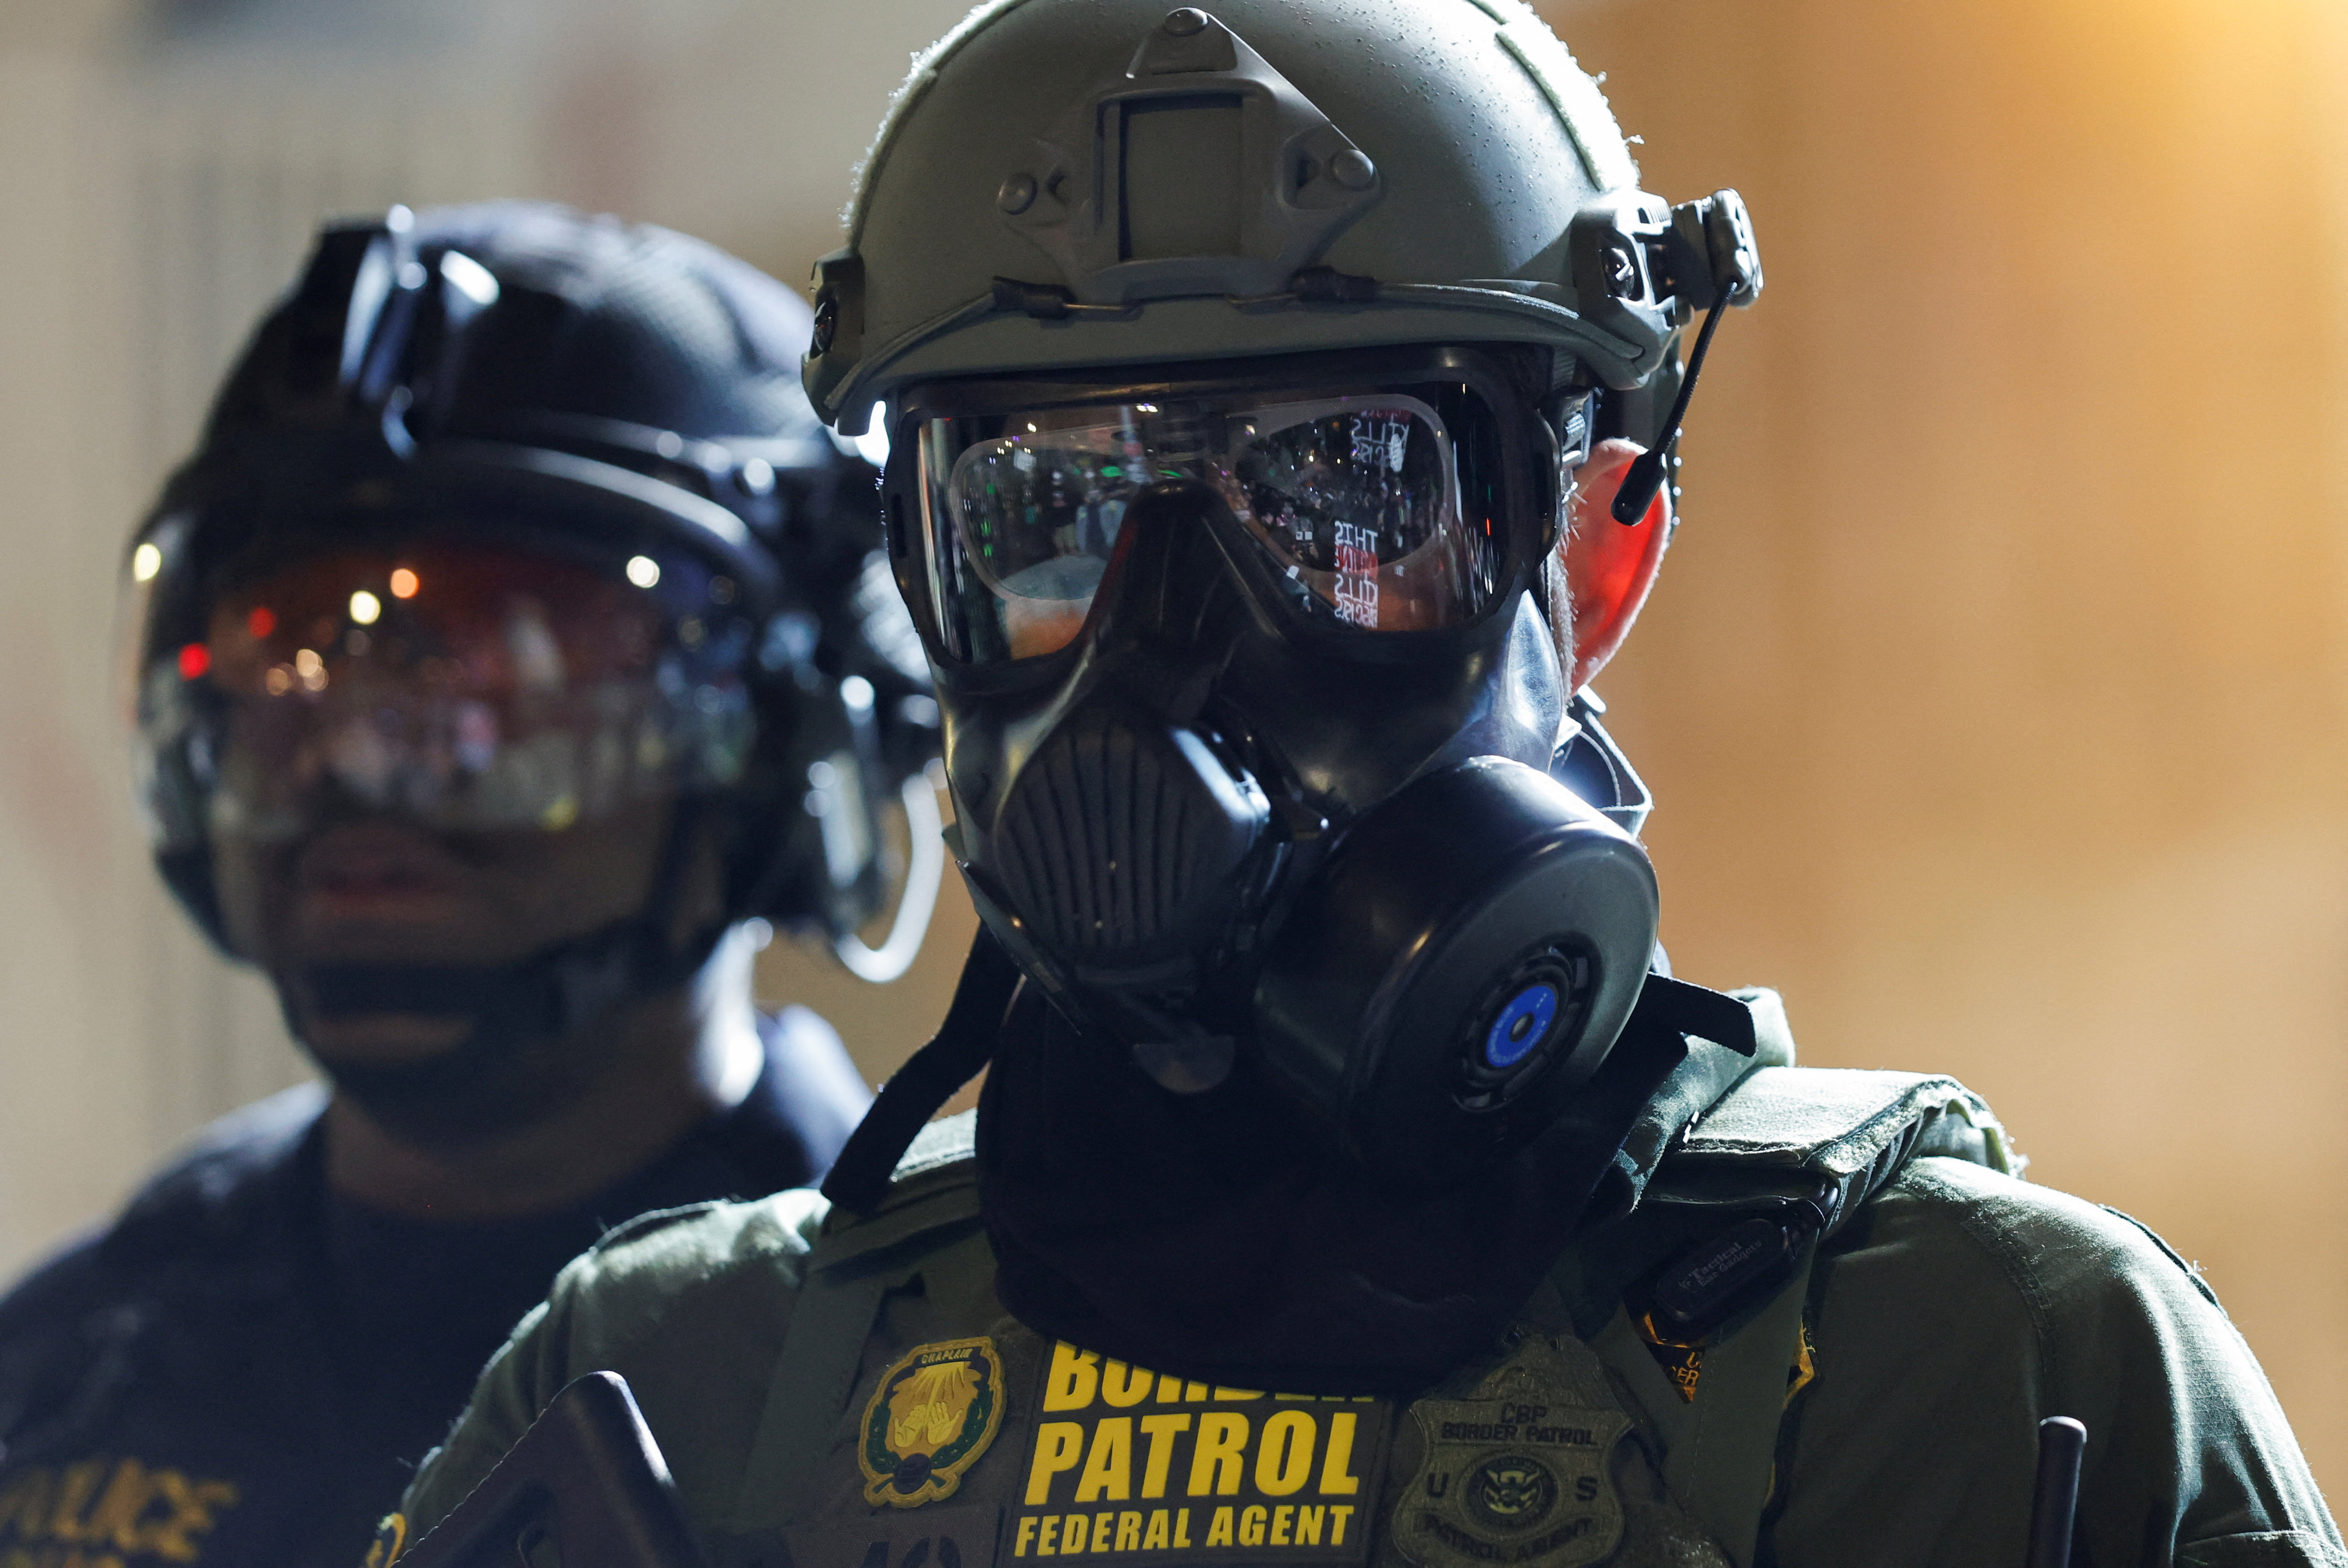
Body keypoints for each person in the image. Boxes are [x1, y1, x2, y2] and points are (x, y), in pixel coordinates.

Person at [384, 7, 2341, 1566]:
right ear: (923, 586)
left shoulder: (1975, 1382)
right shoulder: (661, 1394)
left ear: (1594, 548)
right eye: (1041, 506)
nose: (1168, 631)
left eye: (1333, 488)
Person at [0, 202, 945, 1568]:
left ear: (791, 743)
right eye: (291, 664)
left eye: (495, 672)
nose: (359, 764)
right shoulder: (77, 1362)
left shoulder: (930, 1362)